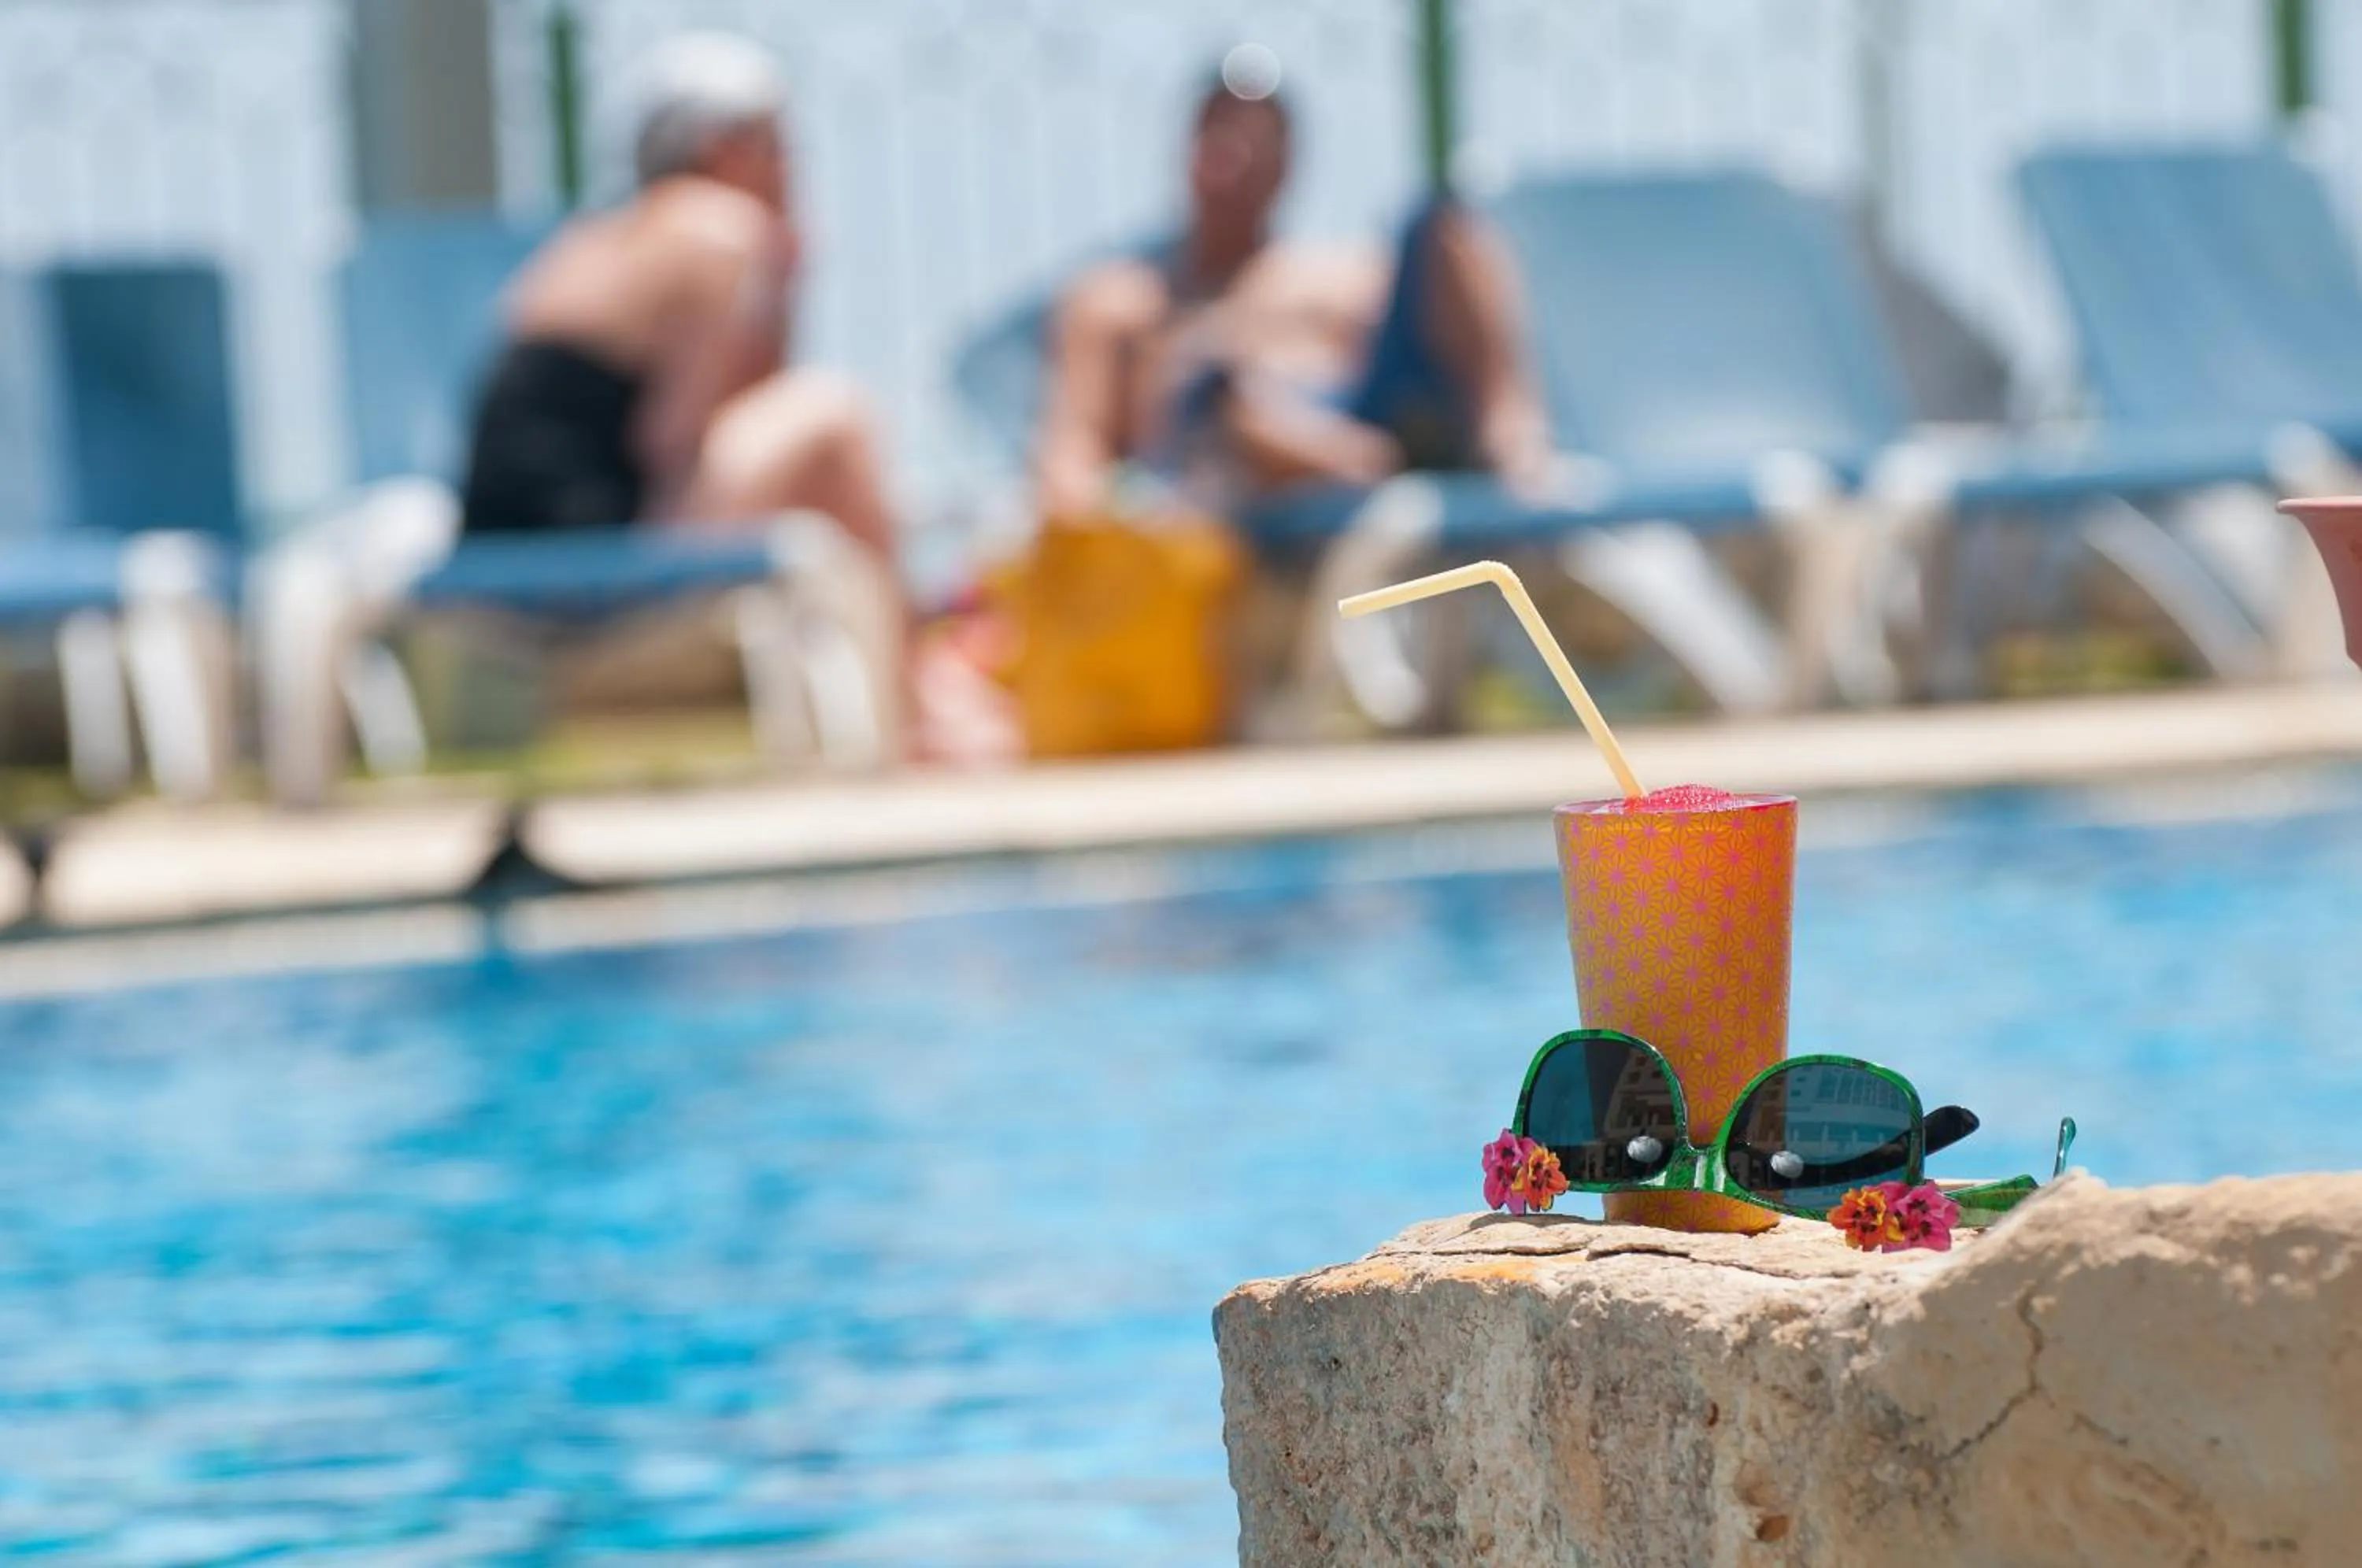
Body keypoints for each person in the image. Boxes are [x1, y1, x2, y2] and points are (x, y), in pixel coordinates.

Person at [1036, 47, 1553, 522]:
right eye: (1217, 136)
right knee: (1212, 387)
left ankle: (1517, 457)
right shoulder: (1119, 301)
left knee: (1445, 230)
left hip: (1357, 422)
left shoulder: (1343, 278)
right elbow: (1071, 455)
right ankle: (1351, 463)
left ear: (1286, 161)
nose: (1233, 161)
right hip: (1217, 481)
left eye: (1254, 140)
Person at [460, 32, 892, 562]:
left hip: (492, 546)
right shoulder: (725, 228)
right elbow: (673, 439)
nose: (789, 170)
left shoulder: (597, 239)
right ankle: (906, 642)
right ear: (723, 148)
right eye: (777, 145)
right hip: (601, 547)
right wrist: (784, 295)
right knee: (835, 420)